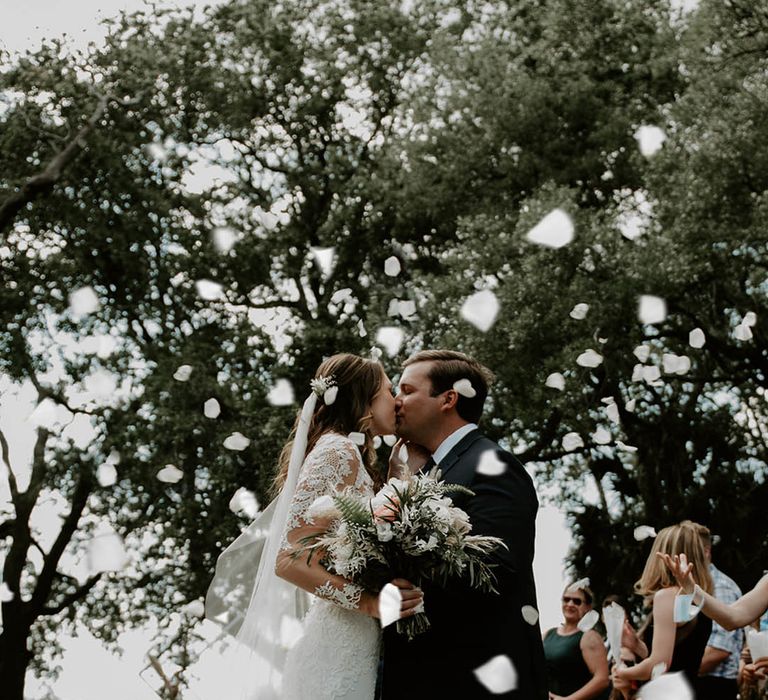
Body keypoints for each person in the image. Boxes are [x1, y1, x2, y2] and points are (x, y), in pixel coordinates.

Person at [206, 353, 422, 700]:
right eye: (387, 390)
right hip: (338, 645)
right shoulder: (337, 451)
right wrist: (369, 603)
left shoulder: (351, 455)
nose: (396, 400)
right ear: (363, 400)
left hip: (356, 640)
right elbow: (288, 560)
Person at [381, 349, 548, 699]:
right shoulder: (420, 474)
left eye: (407, 390)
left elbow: (497, 568)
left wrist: (408, 582)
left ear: (448, 399)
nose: (396, 401)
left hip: (476, 680)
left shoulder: (493, 464)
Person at [611, 521, 714, 697]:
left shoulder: (667, 597)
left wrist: (623, 673)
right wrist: (637, 646)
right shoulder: (699, 597)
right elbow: (679, 655)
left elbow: (660, 665)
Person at [690, 524, 744, 699]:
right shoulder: (694, 588)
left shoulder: (721, 587)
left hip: (714, 688)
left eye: (689, 550)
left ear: (706, 552)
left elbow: (719, 650)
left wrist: (678, 672)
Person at [542, 582, 610, 699]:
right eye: (566, 599)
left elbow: (602, 679)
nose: (570, 604)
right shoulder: (548, 634)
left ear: (588, 607)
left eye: (577, 601)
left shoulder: (589, 637)